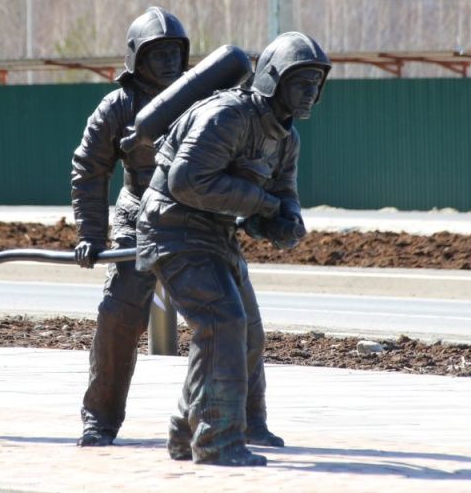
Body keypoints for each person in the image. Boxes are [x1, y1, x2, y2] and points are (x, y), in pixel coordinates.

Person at [136, 31, 331, 466]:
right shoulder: (227, 116)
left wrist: (287, 221)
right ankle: (217, 441)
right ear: (274, 81)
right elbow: (186, 182)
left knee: (246, 333)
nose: (311, 93)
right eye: (302, 82)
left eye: (316, 84)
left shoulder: (285, 137)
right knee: (224, 323)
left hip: (214, 234)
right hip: (172, 229)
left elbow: (284, 191)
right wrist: (262, 203)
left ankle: (194, 432)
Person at [71, 6, 190, 447]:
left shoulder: (200, 99)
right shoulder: (118, 105)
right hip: (137, 209)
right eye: (158, 53)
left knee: (232, 316)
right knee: (118, 314)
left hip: (193, 213)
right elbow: (89, 165)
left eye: (175, 52)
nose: (168, 62)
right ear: (137, 58)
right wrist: (89, 233)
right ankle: (99, 418)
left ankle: (243, 415)